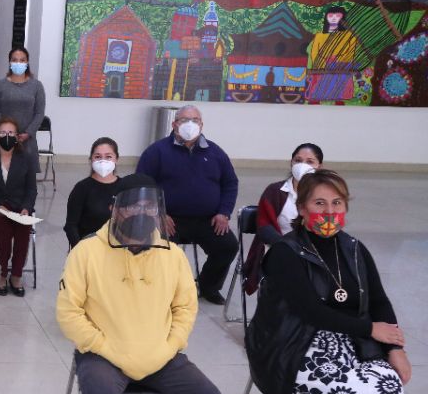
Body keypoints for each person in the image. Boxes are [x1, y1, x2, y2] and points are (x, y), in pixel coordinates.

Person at [57, 183, 224, 394]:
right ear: (115, 209)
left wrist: (170, 346)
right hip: (104, 353)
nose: (142, 213)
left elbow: (185, 308)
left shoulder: (172, 255)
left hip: (160, 353)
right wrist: (106, 347)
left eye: (150, 207)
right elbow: (68, 313)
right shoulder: (86, 251)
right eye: (133, 206)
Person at [248, 170, 410, 394]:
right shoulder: (285, 252)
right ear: (302, 209)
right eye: (319, 203)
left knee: (387, 385)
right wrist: (371, 329)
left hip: (352, 336)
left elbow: (379, 301)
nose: (329, 211)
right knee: (344, 389)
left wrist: (395, 349)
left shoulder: (354, 249)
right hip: (295, 340)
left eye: (337, 203)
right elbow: (310, 312)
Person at [136, 105, 239, 304]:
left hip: (208, 219)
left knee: (227, 246)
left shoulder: (216, 153)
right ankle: (163, 289)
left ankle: (208, 286)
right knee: (159, 249)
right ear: (174, 124)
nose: (190, 124)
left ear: (201, 125)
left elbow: (230, 183)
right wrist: (157, 213)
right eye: (184, 120)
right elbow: (141, 184)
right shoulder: (156, 151)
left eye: (195, 120)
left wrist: (224, 213)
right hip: (168, 219)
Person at [242, 143, 323, 295]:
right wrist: (289, 248)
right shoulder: (274, 191)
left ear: (319, 166)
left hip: (313, 251)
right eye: (298, 160)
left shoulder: (324, 195)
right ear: (291, 163)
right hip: (278, 248)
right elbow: (264, 227)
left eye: (310, 161)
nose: (302, 165)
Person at [0, 118, 37, 297]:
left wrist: (26, 208)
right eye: (3, 133)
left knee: (23, 226)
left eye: (11, 133)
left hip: (20, 207)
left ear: (17, 137)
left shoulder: (26, 159)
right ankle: (2, 274)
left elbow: (31, 189)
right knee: (3, 227)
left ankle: (17, 275)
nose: (7, 136)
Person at [64, 137, 148, 248]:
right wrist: (80, 250)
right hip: (90, 249)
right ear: (91, 159)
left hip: (119, 249)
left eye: (108, 157)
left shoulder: (126, 187)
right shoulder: (81, 188)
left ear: (116, 159)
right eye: (97, 157)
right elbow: (71, 226)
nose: (103, 161)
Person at [0, 47, 46, 175]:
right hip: (4, 138)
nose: (18, 63)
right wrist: (7, 132)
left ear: (27, 62)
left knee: (27, 176)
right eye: (15, 60)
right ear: (10, 62)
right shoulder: (0, 85)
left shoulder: (36, 86)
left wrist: (28, 133)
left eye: (22, 60)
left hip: (27, 140)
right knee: (1, 175)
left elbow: (39, 113)